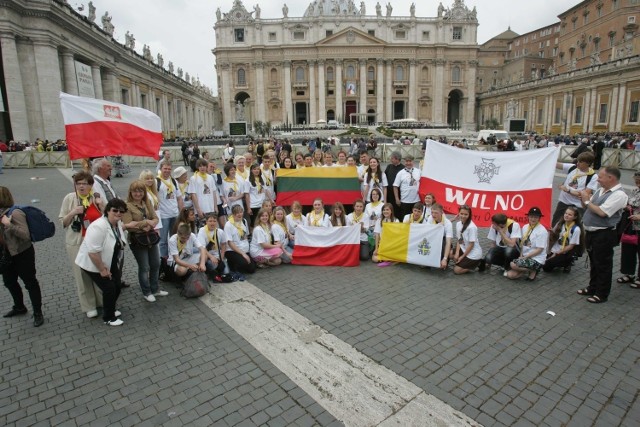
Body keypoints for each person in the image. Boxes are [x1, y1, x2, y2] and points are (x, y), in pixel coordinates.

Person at [578, 167, 629, 303]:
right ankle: (592, 287)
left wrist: (588, 201)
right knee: (594, 262)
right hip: (591, 232)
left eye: (600, 177)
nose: (598, 180)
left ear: (610, 178)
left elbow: (602, 212)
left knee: (603, 264)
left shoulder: (619, 195)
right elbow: (588, 207)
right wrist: (584, 200)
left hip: (604, 234)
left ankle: (602, 293)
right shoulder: (601, 190)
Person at [59, 171, 105, 318]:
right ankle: (89, 305)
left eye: (84, 183)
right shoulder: (70, 198)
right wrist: (73, 212)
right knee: (81, 273)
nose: (81, 186)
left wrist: (101, 206)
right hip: (76, 241)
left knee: (97, 270)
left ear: (91, 185)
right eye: (78, 183)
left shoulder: (96, 198)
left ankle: (100, 300)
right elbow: (63, 222)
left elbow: (107, 218)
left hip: (94, 241)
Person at [75, 198, 128, 326]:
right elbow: (93, 252)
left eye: (121, 211)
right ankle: (108, 318)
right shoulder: (98, 226)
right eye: (115, 210)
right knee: (109, 287)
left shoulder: (117, 223)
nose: (118, 213)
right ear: (108, 210)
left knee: (116, 286)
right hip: (93, 263)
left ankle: (110, 309)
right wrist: (103, 270)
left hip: (110, 260)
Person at [1, 186, 44, 327]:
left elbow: (25, 235)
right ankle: (19, 306)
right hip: (6, 254)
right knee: (9, 282)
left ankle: (38, 312)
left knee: (30, 282)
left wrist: (9, 225)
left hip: (22, 253)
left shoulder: (16, 213)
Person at [122, 181, 167, 302]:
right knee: (144, 267)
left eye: (140, 191)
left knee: (156, 263)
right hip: (137, 240)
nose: (138, 193)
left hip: (150, 237)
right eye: (135, 191)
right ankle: (146, 291)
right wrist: (147, 223)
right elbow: (128, 225)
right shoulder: (127, 206)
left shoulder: (146, 203)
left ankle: (155, 289)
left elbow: (156, 218)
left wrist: (150, 223)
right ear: (130, 192)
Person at [552, 152, 597, 226]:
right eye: (578, 161)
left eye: (581, 162)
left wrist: (568, 190)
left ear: (588, 164)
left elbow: (585, 194)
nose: (578, 163)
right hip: (564, 202)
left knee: (574, 227)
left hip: (577, 205)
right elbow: (556, 164)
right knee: (556, 223)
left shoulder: (593, 176)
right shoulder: (572, 167)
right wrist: (551, 153)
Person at [506, 207, 548, 281]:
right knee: (510, 275)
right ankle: (528, 269)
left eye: (536, 217)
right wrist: (521, 256)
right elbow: (523, 244)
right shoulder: (525, 227)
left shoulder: (542, 231)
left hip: (536, 258)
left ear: (539, 218)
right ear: (528, 217)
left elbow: (539, 250)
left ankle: (533, 270)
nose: (533, 219)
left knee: (513, 264)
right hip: (526, 257)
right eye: (531, 216)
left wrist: (525, 258)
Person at [156, 162, 184, 259]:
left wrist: (182, 213)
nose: (167, 170)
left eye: (169, 169)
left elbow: (179, 198)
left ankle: (175, 258)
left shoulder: (174, 181)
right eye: (165, 168)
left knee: (175, 238)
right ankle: (164, 260)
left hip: (174, 214)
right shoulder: (157, 181)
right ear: (161, 169)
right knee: (163, 241)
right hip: (163, 215)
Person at [543, 206, 582, 273]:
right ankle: (558, 262)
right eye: (566, 213)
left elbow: (571, 246)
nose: (566, 215)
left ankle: (567, 263)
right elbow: (554, 238)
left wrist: (558, 253)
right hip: (555, 249)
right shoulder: (560, 223)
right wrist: (551, 232)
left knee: (548, 265)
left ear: (575, 217)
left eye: (570, 215)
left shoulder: (576, 229)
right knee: (545, 267)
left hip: (565, 252)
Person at [617, 171, 640, 286]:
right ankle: (628, 273)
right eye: (636, 181)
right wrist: (627, 207)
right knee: (628, 248)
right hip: (631, 224)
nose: (637, 183)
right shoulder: (635, 190)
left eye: (639, 181)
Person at [451, 205, 483, 274]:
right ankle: (464, 263)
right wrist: (456, 253)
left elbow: (471, 245)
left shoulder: (472, 227)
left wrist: (462, 257)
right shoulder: (458, 224)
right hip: (464, 247)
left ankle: (477, 263)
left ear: (469, 215)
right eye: (461, 214)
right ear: (458, 213)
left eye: (466, 214)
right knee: (451, 254)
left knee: (457, 271)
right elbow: (459, 239)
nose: (463, 216)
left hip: (473, 253)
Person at [224, 205, 256, 275]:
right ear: (233, 214)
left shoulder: (244, 221)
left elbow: (246, 236)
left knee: (252, 269)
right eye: (237, 212)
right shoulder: (228, 225)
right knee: (243, 263)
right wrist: (242, 253)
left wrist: (246, 251)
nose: (240, 214)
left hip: (244, 249)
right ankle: (232, 263)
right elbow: (230, 243)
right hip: (232, 250)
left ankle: (239, 263)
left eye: (241, 212)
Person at [189, 158, 218, 223]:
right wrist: (198, 209)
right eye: (200, 166)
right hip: (201, 209)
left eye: (204, 166)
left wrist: (215, 207)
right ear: (197, 167)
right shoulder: (193, 178)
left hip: (211, 208)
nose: (202, 168)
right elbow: (193, 195)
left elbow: (213, 193)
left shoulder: (210, 177)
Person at [393, 155, 421, 220]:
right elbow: (395, 186)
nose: (408, 163)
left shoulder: (418, 171)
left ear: (413, 162)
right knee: (406, 219)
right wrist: (397, 199)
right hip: (405, 201)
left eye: (410, 161)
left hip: (417, 200)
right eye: (406, 161)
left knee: (417, 219)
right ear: (404, 162)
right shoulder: (400, 173)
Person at [426, 204, 453, 270]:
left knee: (441, 267)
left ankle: (445, 257)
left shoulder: (448, 223)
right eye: (432, 212)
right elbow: (427, 233)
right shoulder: (430, 218)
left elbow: (448, 242)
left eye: (436, 213)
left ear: (441, 212)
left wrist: (445, 259)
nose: (433, 215)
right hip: (433, 239)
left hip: (443, 241)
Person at [385, 151, 404, 219]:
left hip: (398, 194)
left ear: (397, 159)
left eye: (392, 158)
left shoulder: (403, 168)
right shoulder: (389, 167)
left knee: (397, 211)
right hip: (389, 194)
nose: (391, 159)